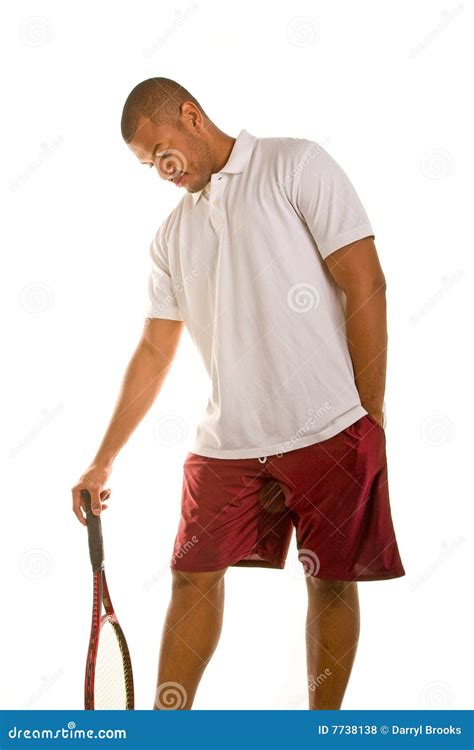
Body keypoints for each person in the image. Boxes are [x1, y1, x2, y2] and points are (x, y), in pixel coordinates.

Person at [71, 77, 405, 710]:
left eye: (162, 153)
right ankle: (167, 729)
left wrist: (370, 413)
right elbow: (153, 350)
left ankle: (320, 730)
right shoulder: (171, 236)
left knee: (330, 584)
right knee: (191, 576)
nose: (161, 171)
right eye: (148, 165)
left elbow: (365, 280)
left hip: (330, 426)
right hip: (228, 441)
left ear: (191, 117)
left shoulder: (294, 164)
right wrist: (102, 457)